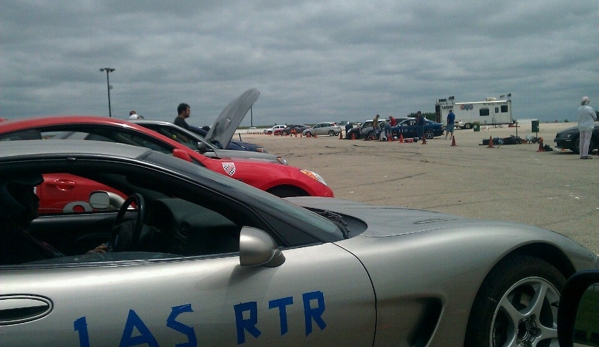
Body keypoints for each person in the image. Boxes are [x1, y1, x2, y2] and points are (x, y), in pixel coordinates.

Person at [0, 174, 108, 265]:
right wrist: (83, 261)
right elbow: (47, 272)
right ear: (12, 199)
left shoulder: (21, 232)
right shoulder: (15, 241)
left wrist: (84, 258)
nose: (36, 198)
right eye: (29, 193)